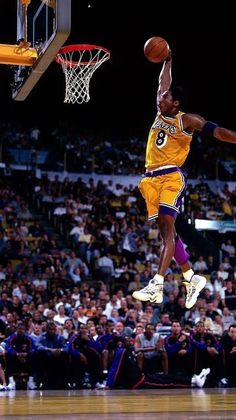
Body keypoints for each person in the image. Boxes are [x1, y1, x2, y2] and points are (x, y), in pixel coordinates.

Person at [132, 51, 236, 309]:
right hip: (150, 180)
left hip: (170, 176)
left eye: (166, 98)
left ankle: (156, 284)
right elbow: (162, 84)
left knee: (168, 231)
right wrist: (168, 60)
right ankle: (191, 278)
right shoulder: (160, 111)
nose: (161, 99)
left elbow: (219, 132)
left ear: (175, 104)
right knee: (168, 233)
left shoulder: (185, 120)